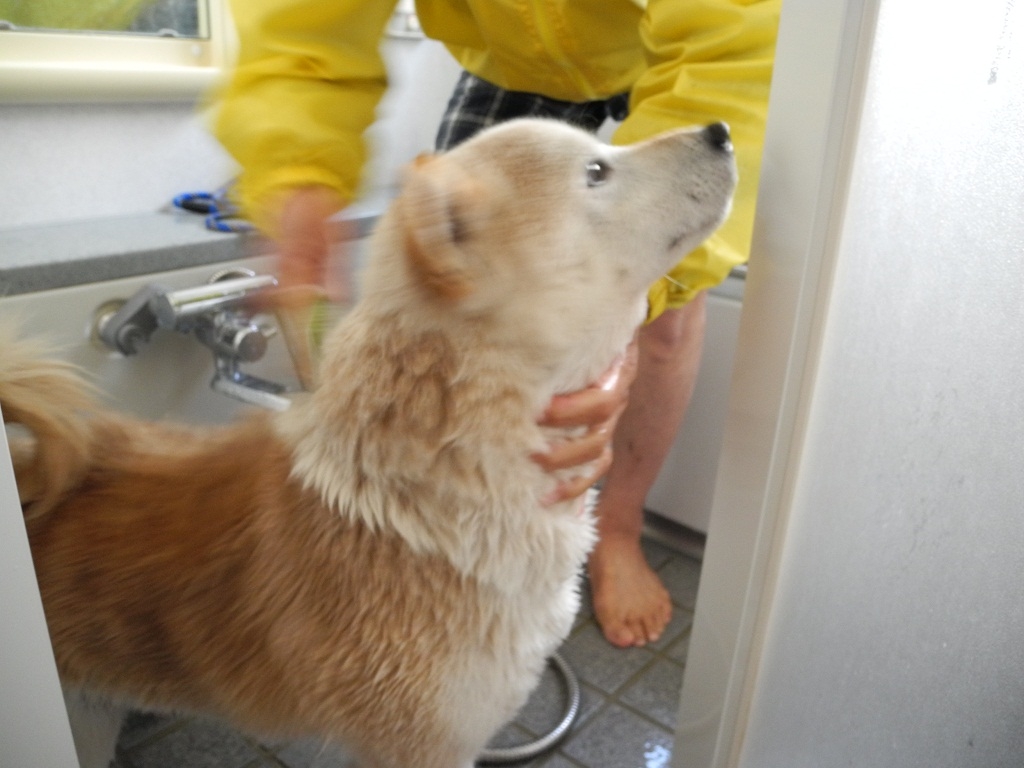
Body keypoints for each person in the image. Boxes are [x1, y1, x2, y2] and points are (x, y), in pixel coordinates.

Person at [214, 0, 779, 648]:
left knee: (666, 319)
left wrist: (630, 304)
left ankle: (617, 528)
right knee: (458, 299)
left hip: (666, 45)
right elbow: (302, 25)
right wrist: (297, 172)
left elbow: (735, 44)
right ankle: (458, 528)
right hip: (510, 57)